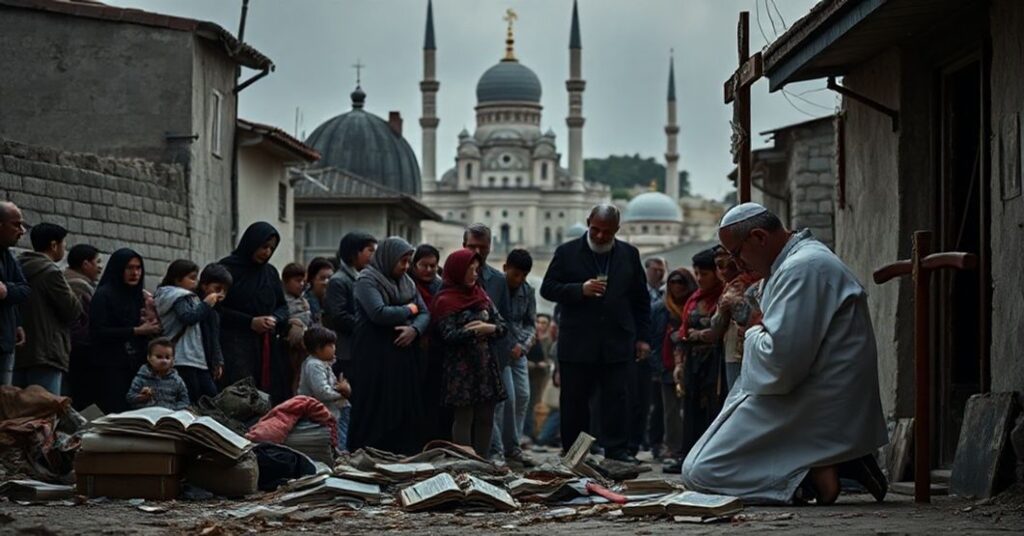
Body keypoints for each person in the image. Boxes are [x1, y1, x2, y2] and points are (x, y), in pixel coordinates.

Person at [681, 203, 888, 505]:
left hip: (812, 398)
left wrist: (752, 328)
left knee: (703, 473)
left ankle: (814, 475)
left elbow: (780, 366)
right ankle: (828, 463)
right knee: (697, 468)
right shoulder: (794, 264)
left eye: (736, 253)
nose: (736, 265)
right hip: (804, 392)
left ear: (759, 237)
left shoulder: (804, 267)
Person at [540, 204, 651, 463]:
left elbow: (640, 300)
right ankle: (575, 453)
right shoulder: (566, 253)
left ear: (617, 230)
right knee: (575, 402)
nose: (600, 236)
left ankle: (617, 451)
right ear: (588, 222)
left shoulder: (629, 254)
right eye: (596, 230)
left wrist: (643, 337)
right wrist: (580, 290)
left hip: (616, 341)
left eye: (607, 232)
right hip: (577, 343)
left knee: (617, 399)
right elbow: (548, 288)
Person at [348, 237, 430, 455]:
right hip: (374, 354)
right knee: (374, 407)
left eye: (407, 262)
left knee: (402, 407)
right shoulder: (367, 280)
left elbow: (425, 313)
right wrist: (410, 310)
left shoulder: (407, 282)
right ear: (388, 258)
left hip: (402, 354)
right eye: (401, 261)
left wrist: (414, 330)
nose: (405, 267)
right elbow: (378, 312)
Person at [431, 248, 507, 457]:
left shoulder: (481, 294)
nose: (475, 274)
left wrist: (487, 328)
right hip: (461, 368)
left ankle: (482, 461)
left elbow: (501, 326)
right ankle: (465, 461)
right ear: (458, 271)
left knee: (486, 417)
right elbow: (448, 334)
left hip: (484, 364)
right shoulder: (445, 299)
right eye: (470, 270)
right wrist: (475, 332)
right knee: (464, 417)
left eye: (476, 269)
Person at [462, 224, 521, 464]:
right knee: (464, 413)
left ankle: (492, 454)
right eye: (471, 246)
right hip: (462, 359)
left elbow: (506, 319)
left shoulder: (497, 280)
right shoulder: (452, 275)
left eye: (482, 247)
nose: (476, 251)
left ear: (490, 247)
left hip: (493, 357)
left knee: (494, 408)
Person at [665, 247, 725, 473]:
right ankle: (687, 457)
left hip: (714, 362)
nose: (699, 279)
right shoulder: (694, 299)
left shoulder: (723, 296)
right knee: (690, 410)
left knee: (712, 408)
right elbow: (682, 332)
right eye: (697, 273)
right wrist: (679, 363)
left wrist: (703, 336)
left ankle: (709, 460)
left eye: (705, 274)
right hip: (692, 362)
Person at [218, 222, 290, 403]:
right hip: (234, 345)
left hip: (266, 346)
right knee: (240, 398)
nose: (266, 252)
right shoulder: (226, 270)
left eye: (271, 248)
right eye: (263, 246)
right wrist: (249, 322)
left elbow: (282, 306)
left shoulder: (270, 273)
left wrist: (274, 319)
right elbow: (216, 308)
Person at [14, 223, 83, 394]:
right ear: (54, 245)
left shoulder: (16, 267)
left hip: (19, 351)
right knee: (46, 410)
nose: (64, 249)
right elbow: (73, 310)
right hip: (46, 352)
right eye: (63, 244)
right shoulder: (51, 272)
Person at [90, 248, 161, 413]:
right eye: (129, 268)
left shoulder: (139, 297)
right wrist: (135, 331)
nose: (135, 273)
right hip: (110, 366)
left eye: (138, 268)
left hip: (137, 366)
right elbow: (98, 332)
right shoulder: (104, 295)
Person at [688, 247, 761, 391]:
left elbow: (747, 318)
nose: (724, 271)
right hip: (730, 350)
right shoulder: (729, 288)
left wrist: (735, 303)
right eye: (719, 266)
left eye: (730, 265)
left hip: (751, 348)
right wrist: (722, 309)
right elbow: (717, 326)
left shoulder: (756, 283)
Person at [153, 259, 225, 403]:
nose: (195, 282)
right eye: (191, 278)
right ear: (177, 279)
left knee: (210, 399)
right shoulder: (178, 296)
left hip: (194, 359)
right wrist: (206, 304)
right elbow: (188, 317)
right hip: (183, 357)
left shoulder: (184, 297)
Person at [491, 249, 536, 466]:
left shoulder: (527, 291)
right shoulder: (496, 288)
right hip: (500, 350)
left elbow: (531, 323)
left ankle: (514, 445)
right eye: (516, 274)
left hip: (519, 351)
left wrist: (523, 345)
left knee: (523, 395)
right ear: (505, 268)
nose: (519, 280)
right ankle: (498, 449)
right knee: (505, 399)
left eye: (524, 276)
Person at [650, 268, 697, 466]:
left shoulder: (694, 306)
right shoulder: (660, 308)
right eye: (673, 282)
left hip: (692, 364)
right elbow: (654, 339)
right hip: (667, 365)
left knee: (691, 408)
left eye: (681, 282)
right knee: (669, 411)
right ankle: (673, 447)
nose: (677, 286)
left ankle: (690, 447)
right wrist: (658, 366)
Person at [323, 232, 377, 378]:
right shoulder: (339, 281)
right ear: (355, 253)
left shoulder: (362, 277)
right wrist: (367, 326)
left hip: (360, 348)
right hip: (346, 351)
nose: (373, 256)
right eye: (370, 250)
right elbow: (339, 316)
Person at [410, 243, 448, 441]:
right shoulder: (407, 284)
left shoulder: (440, 286)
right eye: (424, 265)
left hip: (437, 349)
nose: (428, 270)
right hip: (414, 348)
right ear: (415, 265)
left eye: (433, 266)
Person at [298, 326, 352, 452]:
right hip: (323, 413)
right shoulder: (314, 365)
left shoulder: (322, 363)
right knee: (337, 441)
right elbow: (322, 392)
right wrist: (342, 393)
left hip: (333, 411)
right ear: (318, 349)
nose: (334, 348)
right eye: (331, 345)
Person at [65, 244, 102, 408]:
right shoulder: (79, 286)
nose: (100, 267)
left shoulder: (68, 280)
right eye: (98, 262)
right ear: (86, 264)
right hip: (79, 349)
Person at [0, 202, 30, 386]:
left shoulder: (7, 256)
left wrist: (6, 291)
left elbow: (24, 289)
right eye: (16, 224)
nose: (22, 231)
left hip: (4, 341)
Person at [126, 338, 190, 410]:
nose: (164, 361)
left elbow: (184, 401)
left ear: (172, 360)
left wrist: (173, 410)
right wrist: (142, 397)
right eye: (159, 357)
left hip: (168, 417)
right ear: (149, 358)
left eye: (167, 357)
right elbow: (130, 398)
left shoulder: (176, 380)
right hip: (146, 416)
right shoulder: (141, 378)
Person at [196, 263, 231, 396]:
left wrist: (218, 361)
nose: (221, 294)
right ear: (204, 286)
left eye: (224, 291)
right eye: (217, 289)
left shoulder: (215, 312)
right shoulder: (198, 307)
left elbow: (214, 338)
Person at [524, 313, 555, 442]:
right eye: (539, 322)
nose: (540, 326)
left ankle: (531, 431)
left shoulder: (548, 340)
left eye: (544, 323)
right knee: (526, 403)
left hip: (540, 377)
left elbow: (550, 358)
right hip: (527, 374)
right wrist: (533, 364)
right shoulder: (529, 337)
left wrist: (546, 364)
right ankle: (527, 432)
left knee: (535, 404)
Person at [283, 262, 312, 391]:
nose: (301, 284)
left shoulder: (304, 300)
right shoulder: (282, 300)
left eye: (303, 281)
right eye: (297, 281)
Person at [304, 257, 334, 327]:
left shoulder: (334, 301)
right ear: (312, 279)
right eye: (322, 278)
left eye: (330, 278)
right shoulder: (305, 303)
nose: (326, 282)